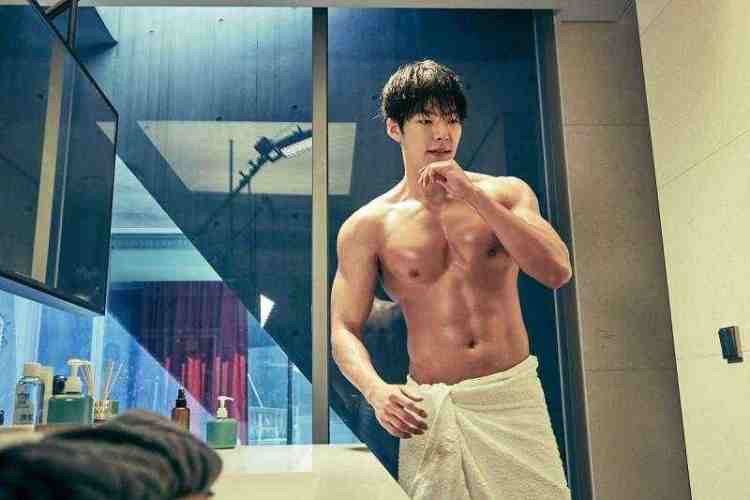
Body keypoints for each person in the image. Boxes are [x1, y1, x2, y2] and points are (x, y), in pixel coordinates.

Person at [330, 60, 572, 499]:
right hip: (432, 407)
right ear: (395, 129)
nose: (442, 133)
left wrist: (473, 196)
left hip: (510, 397)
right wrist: (375, 391)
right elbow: (343, 328)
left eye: (452, 120)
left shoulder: (506, 193)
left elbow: (557, 271)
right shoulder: (368, 226)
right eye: (426, 121)